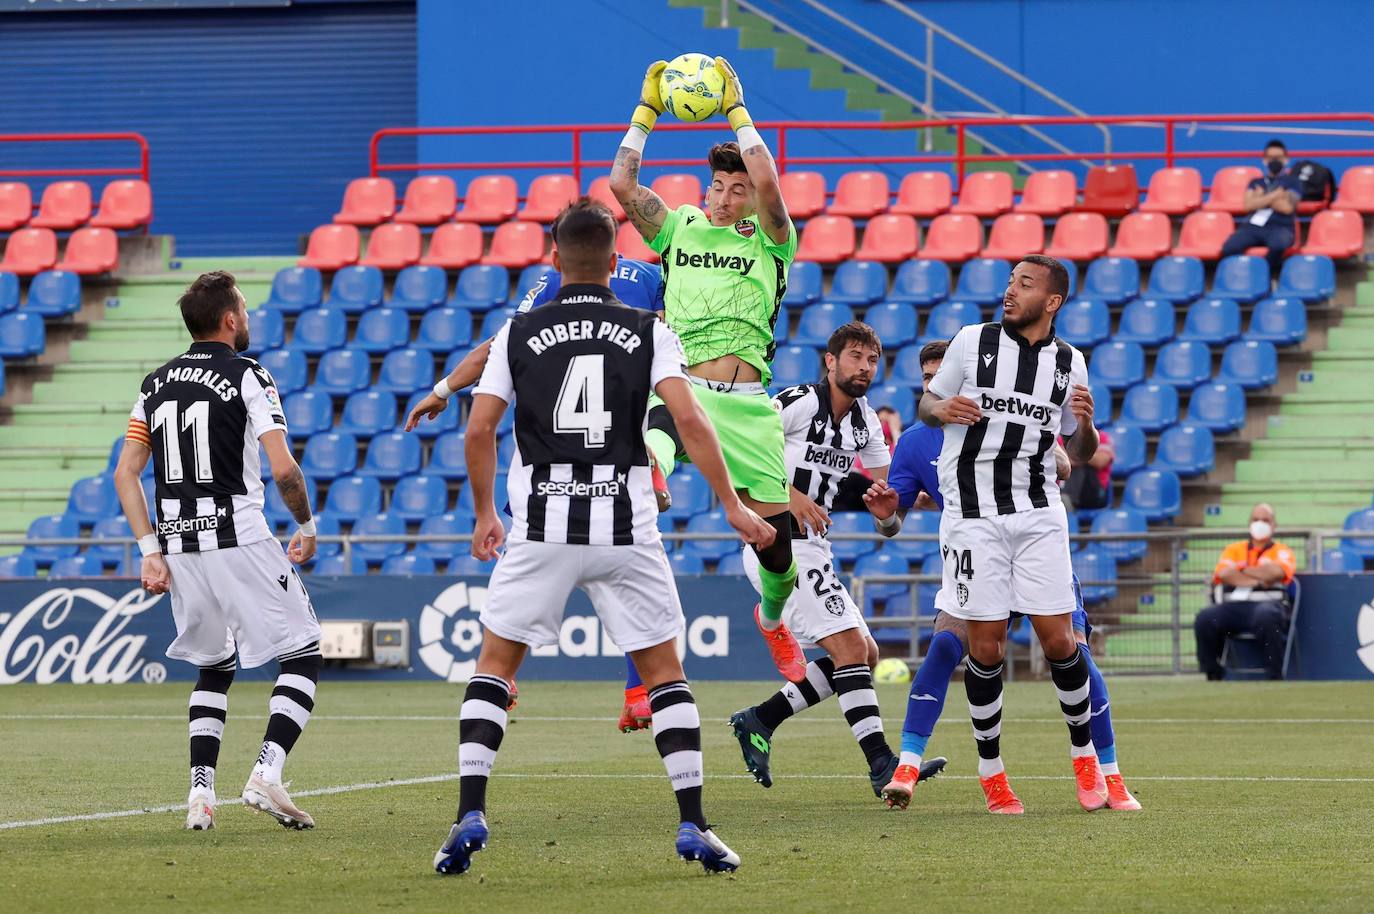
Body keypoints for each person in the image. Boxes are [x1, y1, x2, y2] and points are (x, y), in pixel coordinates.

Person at [432, 198, 776, 876]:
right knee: (663, 675)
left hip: (541, 526)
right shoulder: (649, 330)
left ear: (555, 260)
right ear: (616, 261)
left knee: (496, 665)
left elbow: (478, 431)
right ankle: (692, 824)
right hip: (624, 520)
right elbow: (692, 423)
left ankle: (469, 810)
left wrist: (482, 515)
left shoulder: (518, 332)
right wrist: (732, 505)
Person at [865, 339, 1141, 812]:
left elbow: (1070, 456)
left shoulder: (1008, 413)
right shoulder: (915, 442)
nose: (937, 384)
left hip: (1031, 537)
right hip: (976, 547)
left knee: (1072, 651)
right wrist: (888, 515)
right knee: (949, 647)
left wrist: (1066, 446)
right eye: (928, 378)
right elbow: (891, 523)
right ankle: (909, 766)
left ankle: (1107, 771)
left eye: (943, 374)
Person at [403, 252, 667, 731]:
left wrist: (443, 390)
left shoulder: (551, 280)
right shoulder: (650, 278)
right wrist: (659, 452)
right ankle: (639, 692)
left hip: (552, 457)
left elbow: (496, 349)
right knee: (634, 579)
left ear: (562, 250)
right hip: (624, 453)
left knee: (519, 545)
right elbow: (670, 351)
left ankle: (501, 676)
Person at [610, 56, 808, 683]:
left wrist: (736, 107)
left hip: (748, 404)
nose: (724, 197)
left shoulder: (771, 237)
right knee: (650, 456)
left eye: (737, 188)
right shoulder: (679, 228)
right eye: (717, 186)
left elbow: (772, 188)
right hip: (683, 387)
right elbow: (621, 186)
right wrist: (645, 112)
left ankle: (772, 621)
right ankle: (655, 473)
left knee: (779, 550)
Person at [111, 271, 323, 831]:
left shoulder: (154, 385)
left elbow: (126, 474)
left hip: (179, 546)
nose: (248, 318)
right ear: (230, 320)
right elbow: (283, 468)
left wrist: (148, 549)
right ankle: (266, 772)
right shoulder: (249, 374)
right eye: (245, 310)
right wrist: (306, 523)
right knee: (303, 653)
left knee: (214, 666)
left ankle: (200, 795)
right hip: (239, 535)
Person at [726, 322, 947, 800]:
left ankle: (759, 720)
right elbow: (734, 454)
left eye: (871, 360)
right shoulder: (798, 402)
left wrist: (907, 505)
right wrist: (789, 496)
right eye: (854, 357)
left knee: (864, 655)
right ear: (830, 361)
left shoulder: (866, 422)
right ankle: (881, 763)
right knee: (850, 651)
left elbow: (895, 489)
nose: (864, 367)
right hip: (775, 542)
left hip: (814, 549)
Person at [1193, 503, 1297, 680]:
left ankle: (1274, 675)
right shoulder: (1234, 549)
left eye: (1265, 520)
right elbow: (1223, 573)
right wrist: (1259, 578)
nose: (1260, 523)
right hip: (1235, 606)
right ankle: (1213, 672)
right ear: (1249, 522)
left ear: (1274, 525)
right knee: (1205, 618)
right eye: (1256, 519)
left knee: (1266, 615)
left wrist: (1241, 570)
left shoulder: (1282, 551)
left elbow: (1277, 572)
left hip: (1269, 604)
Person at [1219, 139, 1301, 274]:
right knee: (1230, 247)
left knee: (1278, 246)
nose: (1274, 161)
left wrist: (1260, 198)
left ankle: (1261, 276)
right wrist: (1276, 195)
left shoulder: (1293, 182)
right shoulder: (1255, 181)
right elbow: (1248, 206)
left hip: (1280, 227)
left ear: (1286, 160)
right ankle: (1239, 276)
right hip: (1252, 226)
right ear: (1264, 160)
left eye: (1278, 158)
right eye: (1271, 158)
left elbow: (1287, 208)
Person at [1062, 426, 1114, 510]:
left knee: (1081, 469)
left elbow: (1100, 461)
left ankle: (1068, 501)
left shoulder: (1101, 437)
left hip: (1094, 493)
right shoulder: (1062, 437)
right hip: (1065, 486)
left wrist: (1077, 453)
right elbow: (1061, 461)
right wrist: (1086, 454)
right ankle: (1067, 501)